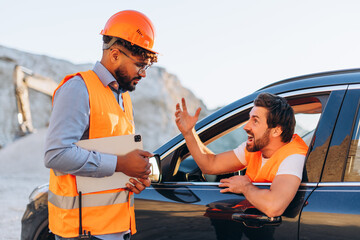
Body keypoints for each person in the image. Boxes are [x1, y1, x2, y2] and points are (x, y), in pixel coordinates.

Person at [44, 10, 158, 240]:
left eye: (147, 66)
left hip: (115, 228)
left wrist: (133, 176)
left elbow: (111, 153)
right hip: (83, 232)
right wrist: (121, 164)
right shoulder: (78, 89)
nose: (143, 74)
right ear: (115, 54)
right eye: (139, 65)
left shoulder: (123, 97)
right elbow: (56, 155)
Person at [175, 92, 308, 218]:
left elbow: (274, 207)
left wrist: (245, 187)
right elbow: (210, 164)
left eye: (255, 121)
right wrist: (189, 133)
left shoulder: (294, 156)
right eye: (249, 119)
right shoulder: (255, 147)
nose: (246, 126)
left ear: (276, 131)